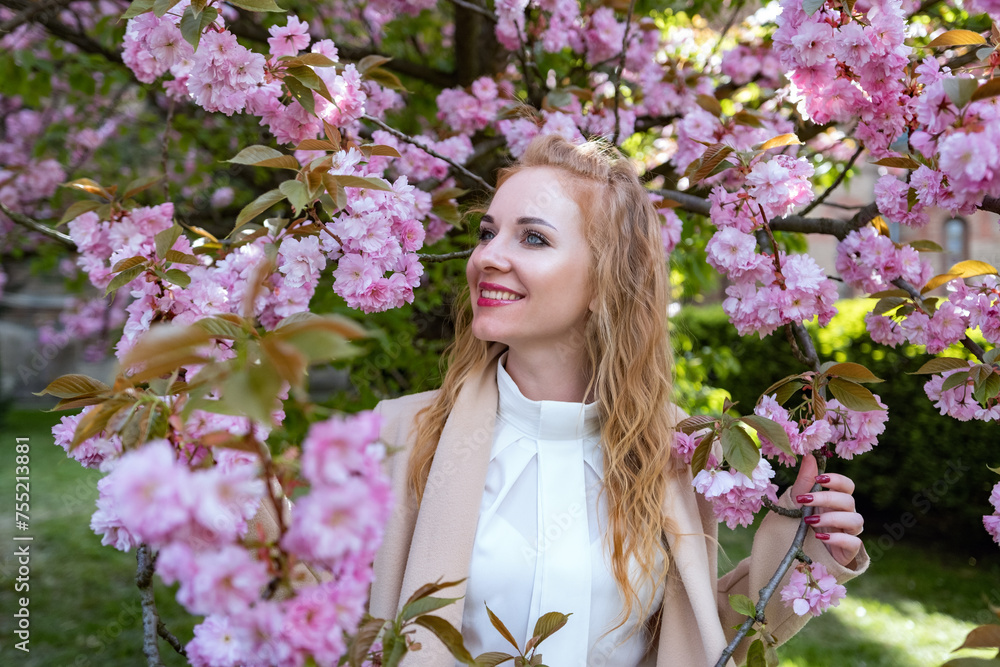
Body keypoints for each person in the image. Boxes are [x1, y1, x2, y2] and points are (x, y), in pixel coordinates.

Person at [366, 135, 868, 666]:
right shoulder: (400, 434)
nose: (488, 256)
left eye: (532, 238)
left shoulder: (678, 451)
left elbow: (690, 642)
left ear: (608, 276)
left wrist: (808, 552)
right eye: (487, 233)